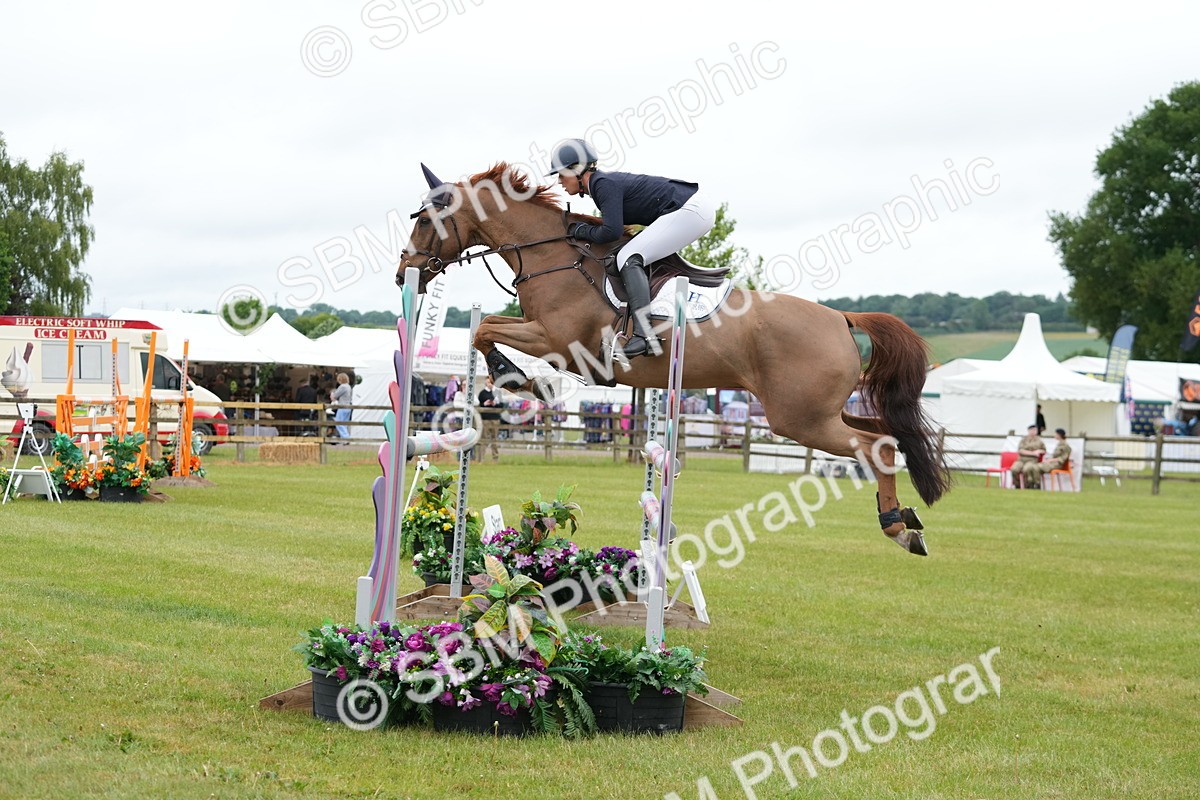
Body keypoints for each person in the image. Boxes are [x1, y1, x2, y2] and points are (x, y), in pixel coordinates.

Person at [547, 138, 716, 359]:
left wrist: (580, 231)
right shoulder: (600, 185)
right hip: (690, 209)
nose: (559, 181)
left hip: (691, 210)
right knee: (633, 254)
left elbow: (611, 232)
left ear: (577, 170)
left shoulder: (601, 184)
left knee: (629, 257)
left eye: (561, 174)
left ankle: (645, 335)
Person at [476, 375, 502, 463]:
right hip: (485, 419)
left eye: (491, 382)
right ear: (485, 383)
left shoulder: (498, 392)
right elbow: (479, 405)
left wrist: (495, 403)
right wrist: (485, 404)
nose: (490, 384)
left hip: (495, 419)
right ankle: (481, 459)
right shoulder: (482, 393)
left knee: (494, 439)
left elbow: (502, 405)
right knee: (483, 439)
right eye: (488, 382)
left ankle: (495, 459)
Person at [1010, 425, 1046, 489]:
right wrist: (1033, 453)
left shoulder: (1039, 441)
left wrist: (1039, 451)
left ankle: (1028, 486)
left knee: (1026, 469)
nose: (1033, 432)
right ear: (1028, 431)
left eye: (1035, 430)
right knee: (1014, 469)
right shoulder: (1023, 440)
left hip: (1032, 460)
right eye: (1032, 430)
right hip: (1021, 459)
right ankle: (1017, 486)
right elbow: (1020, 451)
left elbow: (1044, 450)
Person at [331, 372, 353, 442]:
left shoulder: (342, 387)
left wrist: (332, 393)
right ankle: (345, 438)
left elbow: (334, 396)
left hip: (342, 407)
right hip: (348, 407)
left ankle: (346, 438)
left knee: (338, 423)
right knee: (344, 424)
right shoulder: (349, 386)